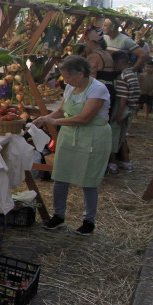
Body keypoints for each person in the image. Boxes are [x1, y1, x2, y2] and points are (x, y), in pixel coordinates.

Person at [33, 56, 111, 236]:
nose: (66, 81)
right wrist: (46, 118)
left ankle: (88, 221)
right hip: (69, 135)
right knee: (61, 175)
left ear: (81, 73)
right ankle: (58, 216)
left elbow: (85, 118)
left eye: (69, 77)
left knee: (88, 179)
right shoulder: (70, 88)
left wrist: (55, 120)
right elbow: (61, 110)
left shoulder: (98, 89)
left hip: (92, 136)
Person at [107, 51, 139, 175]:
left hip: (122, 108)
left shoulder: (122, 77)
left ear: (118, 63)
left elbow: (123, 98)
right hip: (130, 108)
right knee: (122, 137)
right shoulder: (132, 74)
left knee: (113, 136)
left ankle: (113, 163)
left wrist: (119, 114)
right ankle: (126, 162)